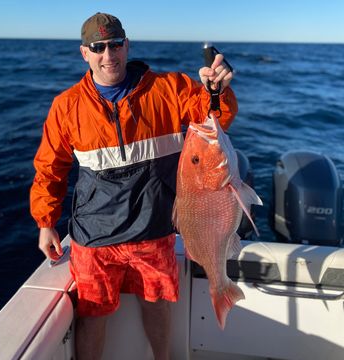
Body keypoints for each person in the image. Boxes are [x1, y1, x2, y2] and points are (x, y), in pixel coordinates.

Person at [30, 12, 237, 360]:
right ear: (85, 53)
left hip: (154, 229)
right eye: (98, 47)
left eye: (114, 45)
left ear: (127, 46)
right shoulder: (66, 107)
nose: (107, 55)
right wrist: (46, 222)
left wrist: (217, 89)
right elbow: (50, 168)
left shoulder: (170, 89)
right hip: (95, 236)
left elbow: (213, 116)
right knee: (92, 315)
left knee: (157, 306)